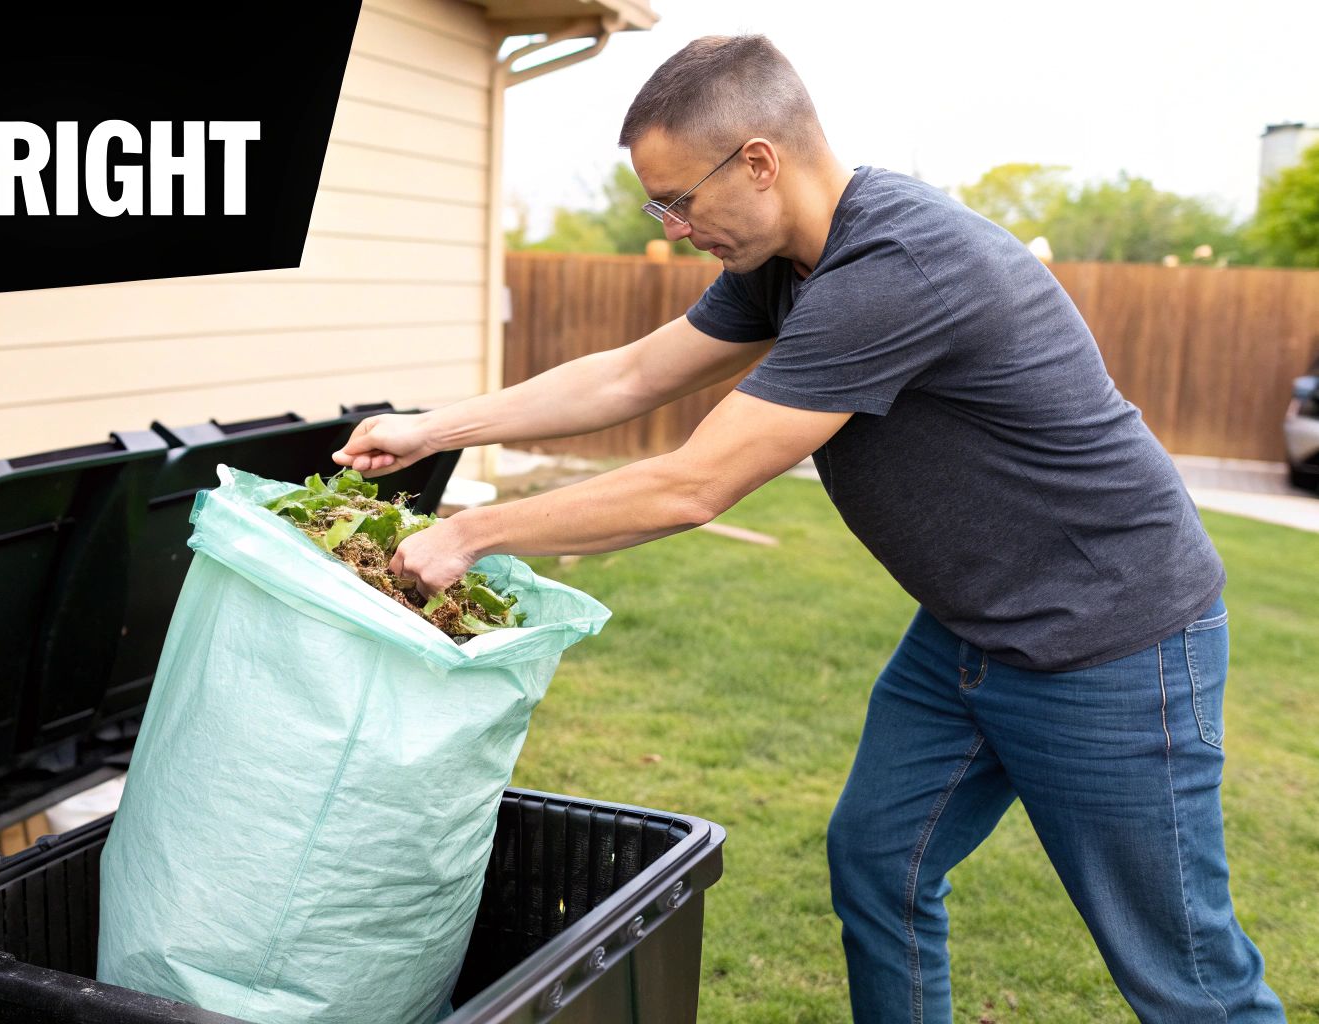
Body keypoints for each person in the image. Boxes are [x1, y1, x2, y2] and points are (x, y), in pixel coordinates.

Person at [331, 34, 1285, 1024]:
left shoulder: (893, 266)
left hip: (1112, 643)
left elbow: (692, 485)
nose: (671, 226)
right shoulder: (787, 261)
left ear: (756, 161)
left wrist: (471, 532)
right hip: (970, 627)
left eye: (678, 200)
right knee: (877, 863)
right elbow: (629, 375)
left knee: (1184, 981)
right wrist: (430, 428)